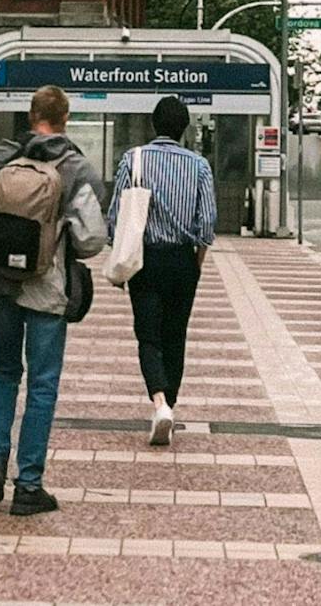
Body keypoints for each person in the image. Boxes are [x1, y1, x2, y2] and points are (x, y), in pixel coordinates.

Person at [0, 85, 106, 516]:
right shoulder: (78, 168)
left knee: (4, 372)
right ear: (64, 119)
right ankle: (28, 485)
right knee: (42, 384)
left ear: (30, 117)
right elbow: (90, 240)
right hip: (46, 289)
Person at [109, 94, 216, 446]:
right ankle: (170, 403)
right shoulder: (200, 166)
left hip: (145, 259)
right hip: (184, 260)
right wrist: (195, 265)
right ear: (185, 128)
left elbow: (115, 216)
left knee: (148, 334)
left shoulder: (133, 159)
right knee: (176, 335)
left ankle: (158, 403)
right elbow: (207, 225)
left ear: (154, 125)